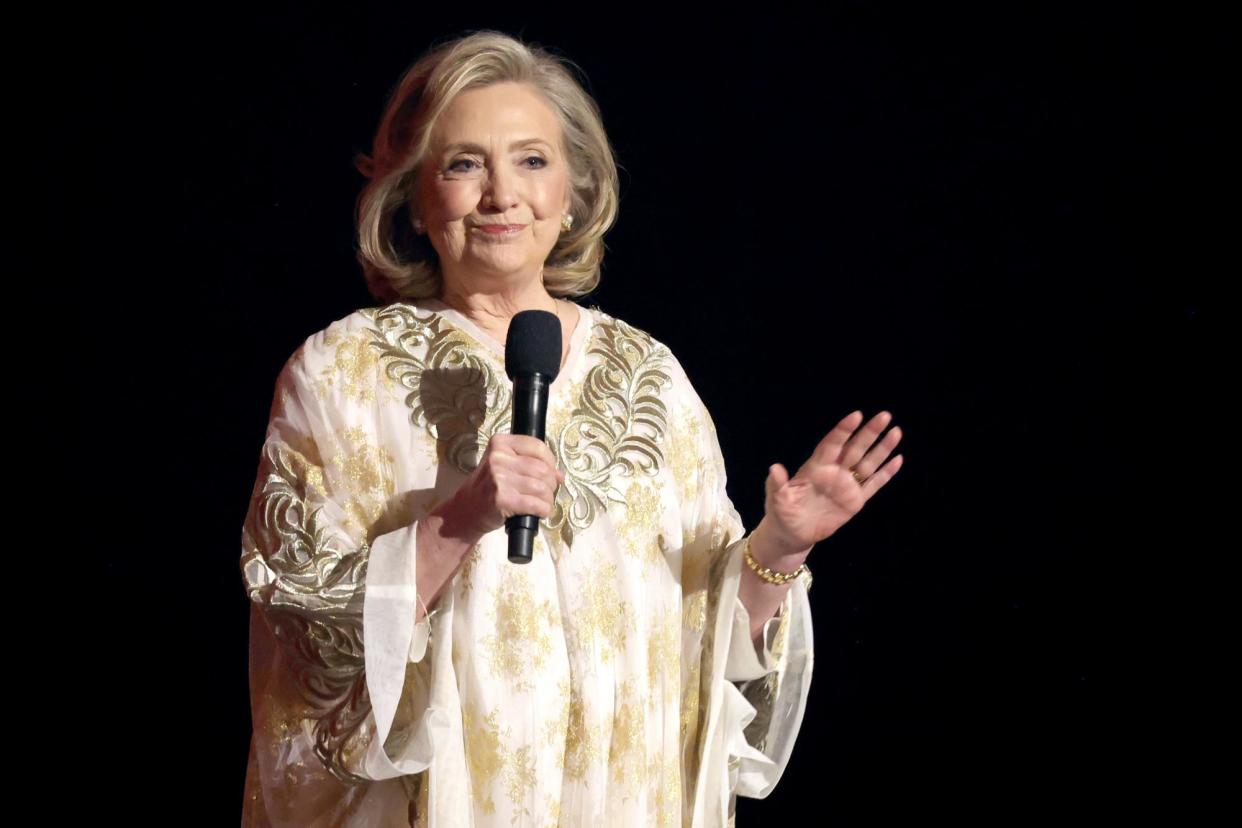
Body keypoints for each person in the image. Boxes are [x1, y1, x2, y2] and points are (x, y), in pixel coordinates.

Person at [239, 30, 903, 827]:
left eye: (530, 160)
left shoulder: (650, 373)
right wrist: (457, 522)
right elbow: (302, 630)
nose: (500, 195)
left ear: (575, 190)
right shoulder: (339, 374)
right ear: (414, 197)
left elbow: (704, 649)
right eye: (462, 164)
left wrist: (780, 549)